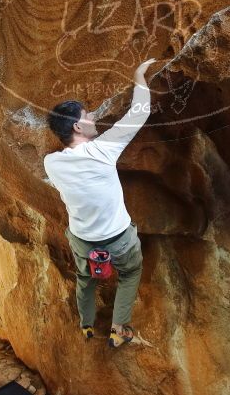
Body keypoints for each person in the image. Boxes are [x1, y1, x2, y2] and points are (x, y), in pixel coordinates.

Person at [43, 58, 155, 348]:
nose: (93, 117)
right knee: (130, 273)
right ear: (78, 127)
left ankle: (87, 326)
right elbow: (139, 113)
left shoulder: (51, 163)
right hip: (118, 238)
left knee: (86, 279)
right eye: (88, 115)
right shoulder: (103, 149)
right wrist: (139, 75)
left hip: (83, 240)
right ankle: (119, 329)